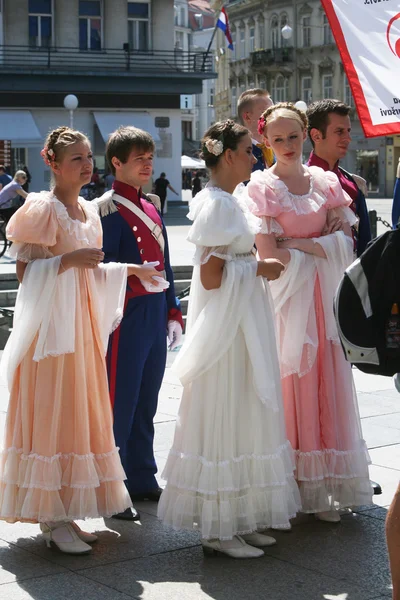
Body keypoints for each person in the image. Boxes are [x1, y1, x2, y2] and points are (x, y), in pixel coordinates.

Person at [0, 126, 164, 555]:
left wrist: (130, 271)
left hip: (83, 327)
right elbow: (24, 273)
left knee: (76, 413)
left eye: (89, 156)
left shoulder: (89, 212)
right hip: (52, 331)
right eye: (76, 158)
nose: (86, 164)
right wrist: (67, 260)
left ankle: (66, 510)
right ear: (51, 163)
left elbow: (94, 269)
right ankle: (51, 518)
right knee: (53, 410)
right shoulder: (42, 207)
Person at [158, 119, 301, 559]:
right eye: (248, 149)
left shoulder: (230, 200)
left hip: (243, 318)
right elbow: (211, 277)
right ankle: (217, 531)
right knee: (226, 405)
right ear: (227, 155)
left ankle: (238, 518)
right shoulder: (219, 206)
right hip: (228, 324)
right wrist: (261, 267)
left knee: (244, 408)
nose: (255, 157)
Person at [246, 103, 373, 522]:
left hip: (325, 297)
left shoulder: (325, 181)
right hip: (286, 301)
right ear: (265, 140)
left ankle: (324, 486)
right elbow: (268, 255)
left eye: (293, 137)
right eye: (277, 139)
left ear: (306, 135)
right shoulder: (261, 187)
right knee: (291, 383)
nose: (286, 146)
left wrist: (299, 244)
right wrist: (316, 246)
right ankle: (293, 483)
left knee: (328, 382)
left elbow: (347, 244)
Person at [96, 126, 183, 521]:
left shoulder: (151, 203)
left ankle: (142, 476)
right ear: (117, 163)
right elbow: (98, 267)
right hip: (125, 314)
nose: (148, 165)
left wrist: (172, 308)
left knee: (147, 401)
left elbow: (163, 262)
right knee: (120, 403)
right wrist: (132, 278)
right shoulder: (105, 209)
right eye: (139, 159)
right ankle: (110, 488)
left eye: (150, 158)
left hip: (153, 313)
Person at [306, 99, 372, 256]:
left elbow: (365, 242)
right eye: (339, 131)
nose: (348, 138)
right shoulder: (298, 182)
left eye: (348, 131)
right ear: (316, 135)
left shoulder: (351, 182)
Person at [237, 88, 274, 172]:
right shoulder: (238, 155)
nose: (274, 117)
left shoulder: (277, 149)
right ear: (247, 117)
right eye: (267, 112)